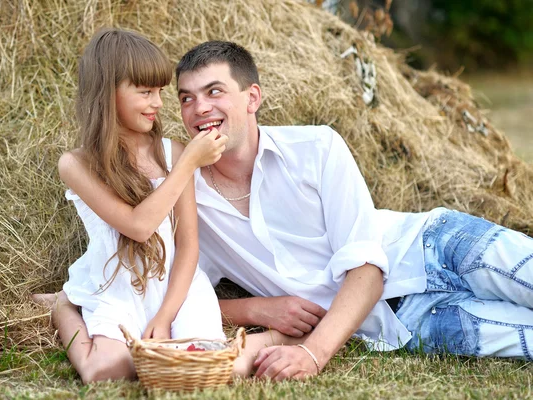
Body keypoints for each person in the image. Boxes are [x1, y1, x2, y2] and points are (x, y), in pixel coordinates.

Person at [174, 40, 533, 381]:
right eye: (186, 98)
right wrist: (255, 308)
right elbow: (178, 295)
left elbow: (367, 269)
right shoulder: (189, 202)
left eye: (214, 91)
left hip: (435, 246)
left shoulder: (316, 148)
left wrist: (313, 353)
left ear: (252, 97)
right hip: (409, 322)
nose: (199, 108)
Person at [33, 28, 301, 384]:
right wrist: (189, 163)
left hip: (178, 286)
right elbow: (138, 225)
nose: (158, 103)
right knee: (105, 372)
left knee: (203, 366)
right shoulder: (77, 164)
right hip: (117, 288)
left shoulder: (170, 152)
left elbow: (189, 245)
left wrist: (165, 315)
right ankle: (66, 306)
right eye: (145, 92)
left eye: (160, 92)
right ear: (106, 93)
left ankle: (273, 337)